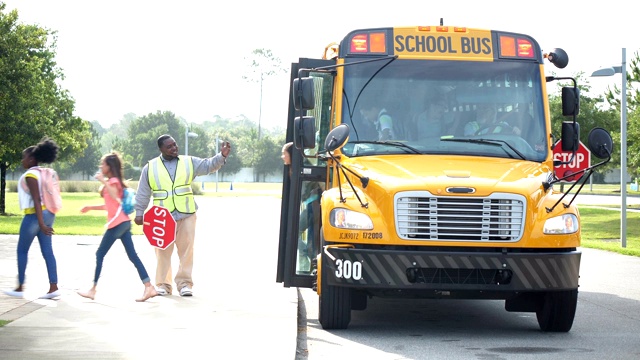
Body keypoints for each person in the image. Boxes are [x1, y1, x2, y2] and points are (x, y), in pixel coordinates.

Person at [134, 134, 231, 297]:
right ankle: (163, 284)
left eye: (175, 144)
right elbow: (143, 192)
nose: (174, 148)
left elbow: (208, 165)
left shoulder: (188, 162)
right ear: (161, 149)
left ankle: (185, 284)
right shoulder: (150, 167)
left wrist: (221, 156)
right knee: (162, 251)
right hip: (162, 217)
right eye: (169, 146)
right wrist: (139, 213)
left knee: (186, 250)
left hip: (186, 214)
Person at [77, 152, 157, 302]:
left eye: (103, 164)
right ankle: (149, 286)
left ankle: (92, 290)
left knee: (100, 254)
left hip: (117, 224)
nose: (101, 166)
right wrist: (90, 207)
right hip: (124, 223)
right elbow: (111, 205)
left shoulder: (113, 181)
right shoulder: (113, 181)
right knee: (133, 256)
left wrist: (103, 181)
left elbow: (114, 196)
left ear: (110, 166)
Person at [4, 137, 60, 299]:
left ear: (32, 159)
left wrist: (41, 224)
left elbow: (36, 199)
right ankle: (54, 287)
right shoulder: (46, 172)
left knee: (22, 250)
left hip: (35, 216)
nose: (23, 160)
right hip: (49, 213)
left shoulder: (31, 175)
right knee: (47, 251)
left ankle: (20, 287)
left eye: (24, 157)